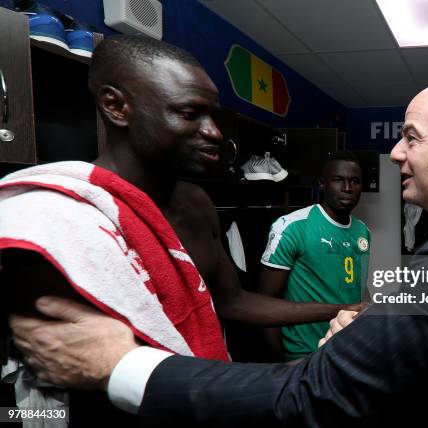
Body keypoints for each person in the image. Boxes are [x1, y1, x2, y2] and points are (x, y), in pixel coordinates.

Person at [8, 82, 428, 427]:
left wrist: (117, 364)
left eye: (410, 137)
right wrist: (374, 326)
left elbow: (311, 399)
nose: (395, 152)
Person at [0, 35, 360, 423]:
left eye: (213, 116)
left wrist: (347, 308)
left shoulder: (195, 202)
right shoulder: (58, 220)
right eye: (190, 113)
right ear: (116, 106)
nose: (214, 133)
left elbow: (233, 302)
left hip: (195, 397)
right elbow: (53, 375)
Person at [258, 151, 370, 360]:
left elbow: (359, 286)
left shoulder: (363, 231)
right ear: (322, 184)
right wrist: (281, 360)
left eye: (354, 181)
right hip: (305, 353)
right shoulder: (292, 227)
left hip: (348, 347)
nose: (347, 188)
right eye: (338, 180)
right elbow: (266, 301)